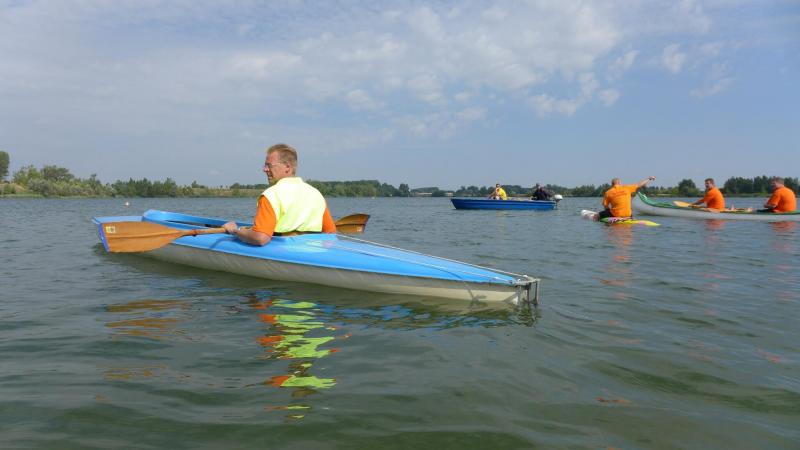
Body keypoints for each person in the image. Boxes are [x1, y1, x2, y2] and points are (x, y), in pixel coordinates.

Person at [222, 143, 336, 245]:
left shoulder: (271, 195)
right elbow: (330, 234)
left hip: (285, 252)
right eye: (265, 166)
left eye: (269, 165)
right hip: (315, 252)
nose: (265, 170)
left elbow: (260, 238)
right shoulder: (316, 194)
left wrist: (236, 231)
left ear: (287, 167)